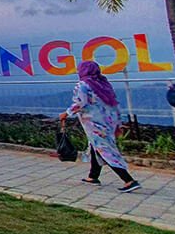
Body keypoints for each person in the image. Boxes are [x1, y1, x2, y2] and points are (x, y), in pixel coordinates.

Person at [59, 60, 140, 192]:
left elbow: (80, 103)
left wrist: (66, 113)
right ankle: (93, 176)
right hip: (108, 122)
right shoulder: (104, 84)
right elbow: (114, 104)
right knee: (95, 147)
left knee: (105, 150)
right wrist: (118, 124)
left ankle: (128, 180)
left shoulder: (83, 85)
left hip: (94, 123)